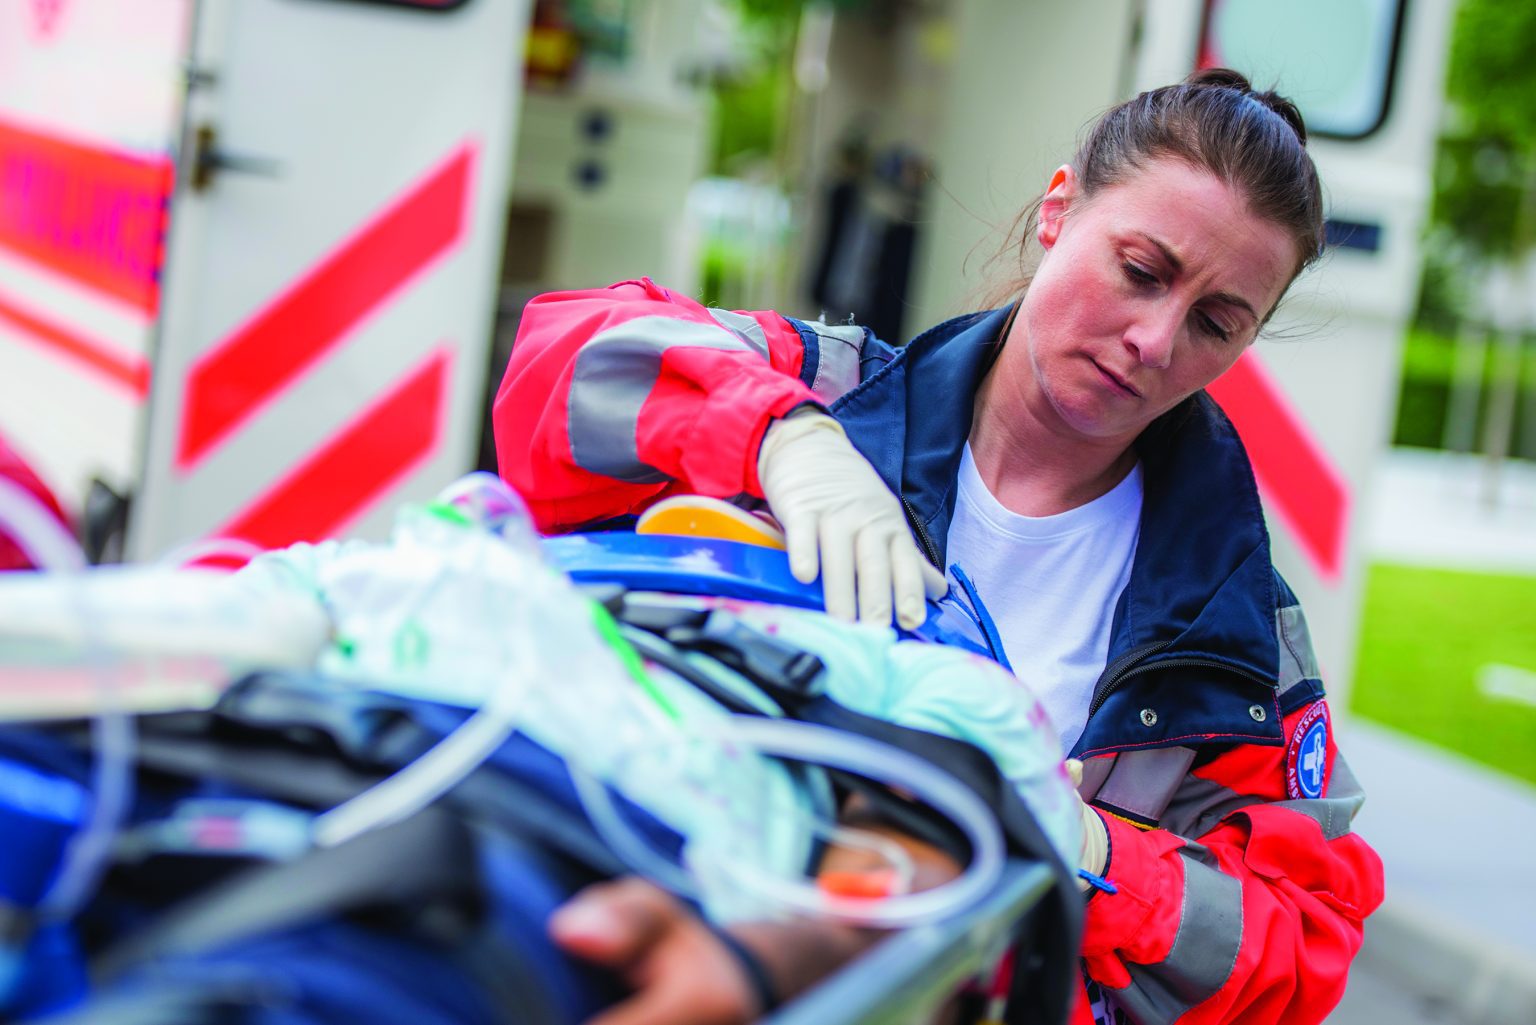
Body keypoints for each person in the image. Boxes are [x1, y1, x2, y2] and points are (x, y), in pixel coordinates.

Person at [493, 68, 1385, 1025]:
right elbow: (564, 357)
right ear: (1058, 210)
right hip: (631, 928)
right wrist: (777, 438)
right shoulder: (830, 392)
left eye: (1215, 323)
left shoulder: (1234, 621)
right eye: (1140, 270)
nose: (1155, 340)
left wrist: (1091, 851)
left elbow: (1301, 939)